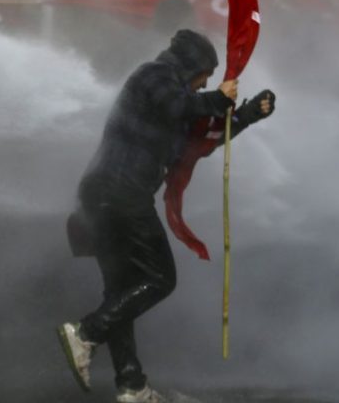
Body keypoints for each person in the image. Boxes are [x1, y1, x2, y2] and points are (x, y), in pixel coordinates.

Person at [58, 29, 276, 402]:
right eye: (206, 71)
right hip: (119, 191)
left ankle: (132, 387)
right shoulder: (153, 76)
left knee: (120, 291)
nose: (207, 79)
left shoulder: (182, 99)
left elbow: (198, 144)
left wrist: (247, 116)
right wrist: (216, 99)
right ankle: (86, 333)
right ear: (190, 65)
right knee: (160, 279)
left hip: (106, 195)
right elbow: (180, 106)